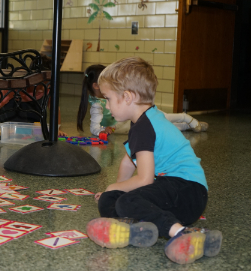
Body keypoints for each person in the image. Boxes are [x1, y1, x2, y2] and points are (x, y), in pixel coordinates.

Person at [86, 57, 222, 265]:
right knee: (109, 200)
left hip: (187, 192)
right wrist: (112, 190)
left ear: (128, 97)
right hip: (174, 193)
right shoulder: (144, 119)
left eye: (108, 98)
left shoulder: (144, 127)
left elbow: (145, 179)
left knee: (127, 200)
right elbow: (127, 163)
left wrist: (116, 187)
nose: (106, 105)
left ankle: (183, 233)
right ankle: (135, 230)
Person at [77, 64, 209, 136]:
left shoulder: (114, 96)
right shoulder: (97, 105)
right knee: (160, 127)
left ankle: (186, 118)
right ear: (96, 86)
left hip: (131, 121)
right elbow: (94, 127)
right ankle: (187, 126)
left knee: (162, 118)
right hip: (126, 126)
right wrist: (101, 131)